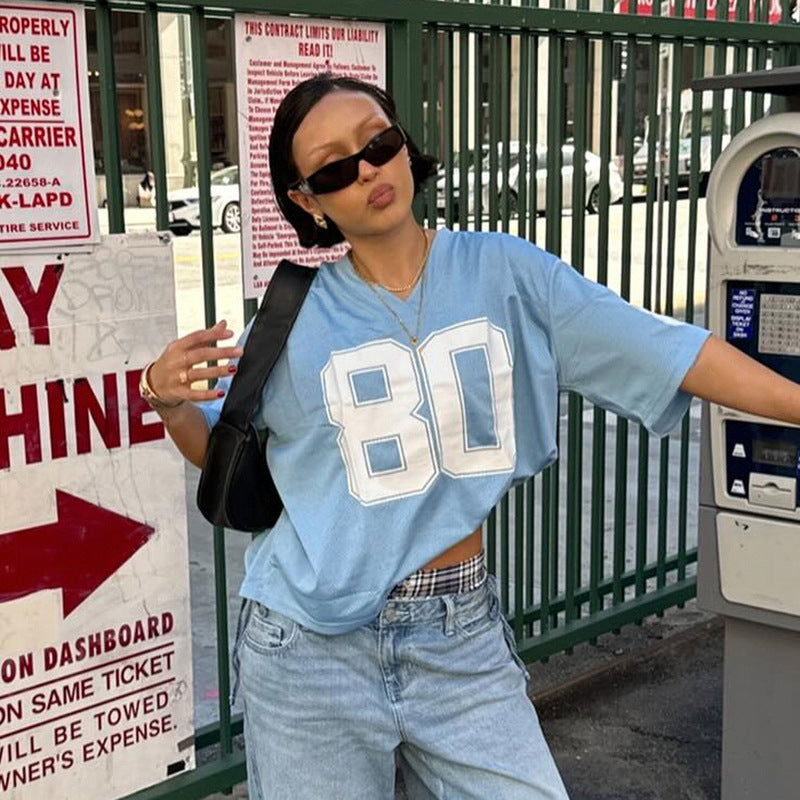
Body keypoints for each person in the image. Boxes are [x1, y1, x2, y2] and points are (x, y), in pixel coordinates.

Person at [139, 74, 800, 800]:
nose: (366, 170)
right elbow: (226, 457)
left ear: (403, 145)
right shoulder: (292, 319)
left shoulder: (507, 274)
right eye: (333, 168)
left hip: (457, 635)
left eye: (378, 143)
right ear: (309, 201)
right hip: (307, 645)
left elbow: (669, 350)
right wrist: (168, 403)